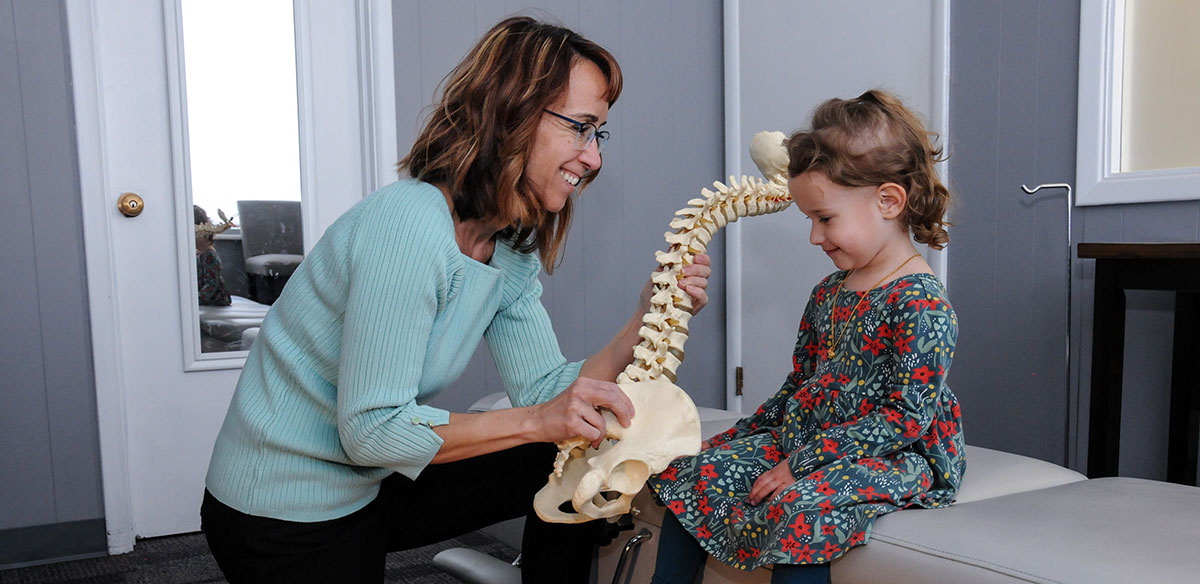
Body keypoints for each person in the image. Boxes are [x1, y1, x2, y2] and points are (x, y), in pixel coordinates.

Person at [199, 16, 713, 584]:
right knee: (544, 433)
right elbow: (372, 432)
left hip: (368, 485)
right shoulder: (408, 226)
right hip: (281, 509)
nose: (593, 157)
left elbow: (548, 391)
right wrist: (539, 419)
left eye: (601, 134)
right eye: (581, 128)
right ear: (511, 114)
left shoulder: (508, 247)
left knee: (568, 447)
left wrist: (646, 316)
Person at [647, 90, 965, 584]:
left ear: (888, 200)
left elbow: (905, 419)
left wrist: (802, 465)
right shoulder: (828, 293)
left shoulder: (920, 303)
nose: (815, 237)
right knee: (696, 474)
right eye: (809, 220)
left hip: (897, 453)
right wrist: (735, 438)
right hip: (811, 438)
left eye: (825, 218)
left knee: (800, 508)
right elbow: (801, 385)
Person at [195, 204, 232, 307]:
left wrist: (196, 299)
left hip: (216, 299)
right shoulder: (197, 255)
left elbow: (212, 284)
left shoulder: (210, 255)